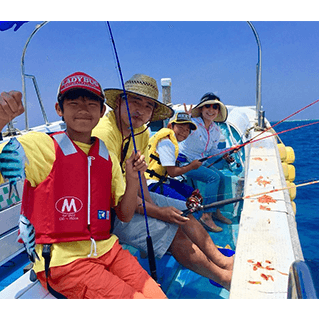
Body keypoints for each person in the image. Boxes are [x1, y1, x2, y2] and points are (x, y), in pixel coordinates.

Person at [0, 72, 166, 299]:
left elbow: (125, 215)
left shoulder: (106, 156)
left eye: (91, 103)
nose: (83, 109)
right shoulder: (40, 146)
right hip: (63, 263)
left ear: (101, 111)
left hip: (109, 250)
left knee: (159, 299)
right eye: (73, 103)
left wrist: (133, 176)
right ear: (59, 110)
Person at [92, 74, 234, 290]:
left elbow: (139, 174)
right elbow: (122, 210)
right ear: (119, 102)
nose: (140, 110)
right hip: (104, 212)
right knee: (174, 232)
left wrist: (153, 205)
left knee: (184, 213)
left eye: (148, 106)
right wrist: (158, 212)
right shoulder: (104, 137)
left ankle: (222, 260)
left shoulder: (139, 130)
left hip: (132, 195)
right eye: (134, 101)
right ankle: (224, 278)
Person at [179, 93, 234, 232]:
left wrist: (228, 151)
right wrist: (186, 120)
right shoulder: (193, 124)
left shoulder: (216, 130)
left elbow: (211, 151)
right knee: (213, 177)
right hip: (184, 162)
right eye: (207, 106)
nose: (211, 110)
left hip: (200, 162)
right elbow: (179, 132)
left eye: (215, 107)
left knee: (221, 177)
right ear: (202, 109)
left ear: (218, 111)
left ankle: (216, 211)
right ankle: (206, 215)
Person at [145, 111, 201, 201]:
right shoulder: (166, 142)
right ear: (170, 126)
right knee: (186, 204)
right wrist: (191, 166)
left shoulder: (167, 139)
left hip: (161, 179)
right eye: (180, 127)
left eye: (187, 130)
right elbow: (172, 172)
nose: (184, 132)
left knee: (192, 192)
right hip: (150, 183)